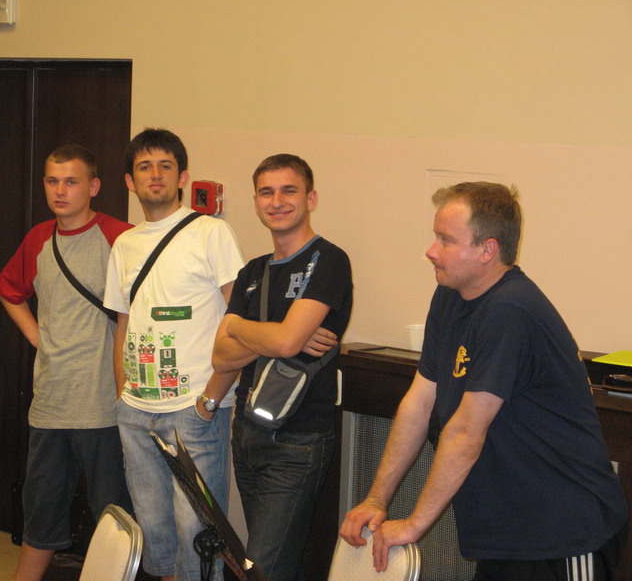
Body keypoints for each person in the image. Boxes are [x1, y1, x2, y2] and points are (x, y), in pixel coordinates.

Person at [339, 182, 628, 581]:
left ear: (487, 250)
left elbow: (466, 432)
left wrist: (414, 524)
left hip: (563, 531)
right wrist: (376, 498)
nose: (431, 250)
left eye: (446, 240)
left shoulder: (511, 311)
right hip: (509, 531)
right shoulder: (450, 296)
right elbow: (419, 403)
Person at [103, 128, 245, 581]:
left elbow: (239, 320)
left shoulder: (211, 232)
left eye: (165, 166)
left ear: (182, 176)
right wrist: (122, 395)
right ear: (130, 181)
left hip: (194, 409)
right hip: (136, 410)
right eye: (144, 167)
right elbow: (123, 323)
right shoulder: (125, 244)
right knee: (156, 532)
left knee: (197, 535)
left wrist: (211, 400)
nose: (156, 174)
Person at [207, 154, 353, 581]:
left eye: (289, 190)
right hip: (247, 432)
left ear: (311, 198)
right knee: (270, 563)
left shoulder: (329, 260)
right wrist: (279, 334)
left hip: (298, 441)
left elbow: (286, 342)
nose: (277, 201)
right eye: (266, 192)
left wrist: (239, 327)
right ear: (256, 202)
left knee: (264, 566)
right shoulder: (252, 271)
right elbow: (221, 357)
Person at [0, 144, 133, 581]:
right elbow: (8, 289)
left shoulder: (120, 237)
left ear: (93, 187)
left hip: (104, 406)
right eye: (53, 181)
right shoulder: (38, 238)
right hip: (51, 403)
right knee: (40, 511)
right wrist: (38, 336)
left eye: (71, 182)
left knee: (114, 519)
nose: (60, 191)